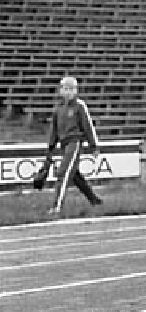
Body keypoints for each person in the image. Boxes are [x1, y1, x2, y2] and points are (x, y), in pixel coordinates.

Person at [45, 76, 103, 217]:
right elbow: (54, 130)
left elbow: (88, 126)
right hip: (64, 144)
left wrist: (93, 146)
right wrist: (50, 147)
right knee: (75, 175)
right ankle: (95, 201)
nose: (69, 92)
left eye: (72, 89)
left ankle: (57, 207)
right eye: (66, 88)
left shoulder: (80, 106)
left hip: (75, 142)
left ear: (76, 91)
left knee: (63, 172)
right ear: (61, 90)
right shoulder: (58, 108)